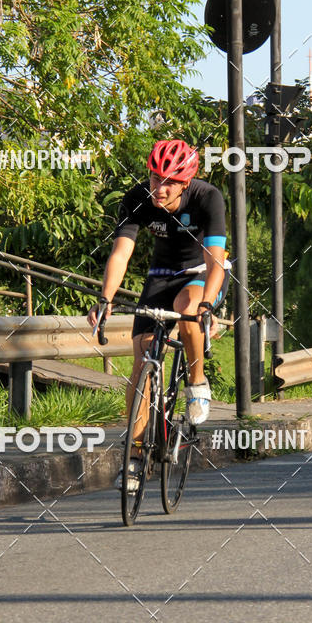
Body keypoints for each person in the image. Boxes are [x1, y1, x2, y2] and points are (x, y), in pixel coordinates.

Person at [87, 139, 230, 490]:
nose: (159, 188)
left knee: (187, 309)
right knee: (142, 360)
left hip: (203, 272)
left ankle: (197, 382)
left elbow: (216, 260)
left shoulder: (207, 197)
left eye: (169, 182)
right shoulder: (137, 198)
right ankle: (135, 457)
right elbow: (121, 253)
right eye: (155, 178)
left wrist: (207, 305)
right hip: (161, 275)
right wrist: (105, 299)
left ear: (186, 183)